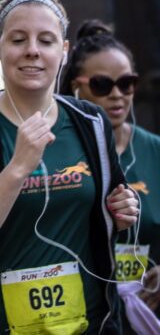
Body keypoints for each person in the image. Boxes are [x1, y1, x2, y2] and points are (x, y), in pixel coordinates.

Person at [0, 0, 139, 334]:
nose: (32, 51)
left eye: (46, 40)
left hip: (87, 324)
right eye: (18, 39)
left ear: (65, 50)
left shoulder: (91, 122)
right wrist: (17, 168)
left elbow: (113, 205)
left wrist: (125, 208)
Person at [63, 19, 160, 329]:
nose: (118, 95)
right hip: (81, 314)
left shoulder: (155, 149)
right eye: (103, 85)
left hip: (150, 309)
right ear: (75, 85)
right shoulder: (56, 153)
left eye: (127, 83)